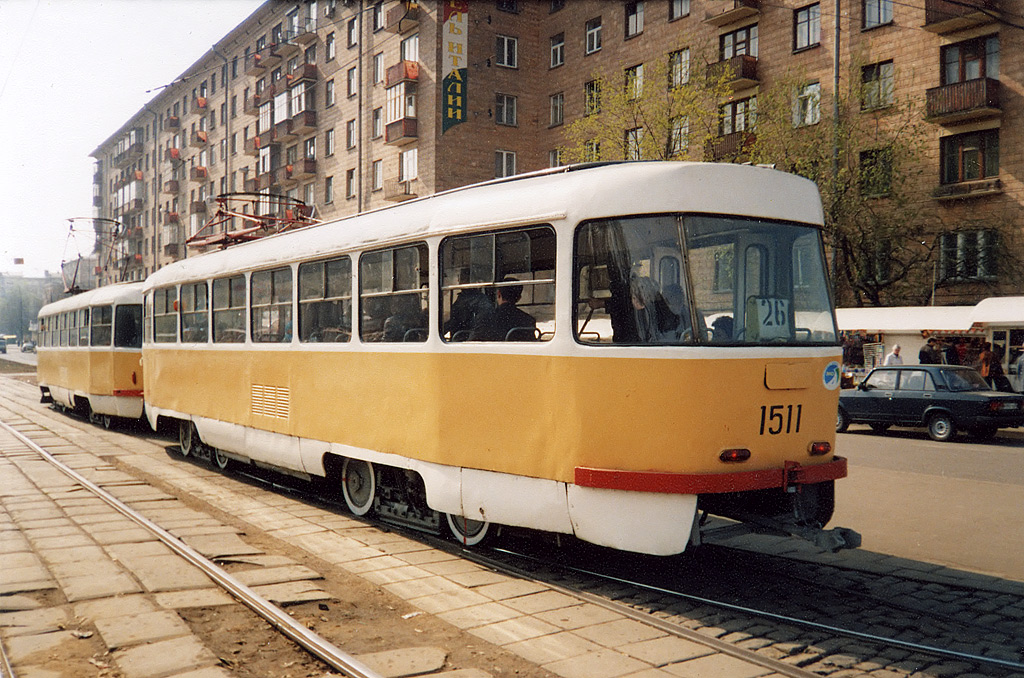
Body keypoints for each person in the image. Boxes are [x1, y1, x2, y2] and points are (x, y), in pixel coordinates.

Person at [470, 278, 537, 341]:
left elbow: (473, 342)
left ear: (499, 294)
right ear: (519, 298)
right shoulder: (528, 320)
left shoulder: (485, 318)